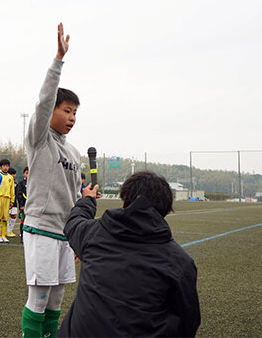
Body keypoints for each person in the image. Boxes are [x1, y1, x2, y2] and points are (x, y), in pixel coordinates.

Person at [58, 171, 201, 337]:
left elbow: (74, 222)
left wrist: (88, 199)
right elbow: (188, 321)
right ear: (166, 210)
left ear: (125, 200)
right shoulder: (180, 261)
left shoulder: (94, 234)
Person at [21, 23, 83, 338]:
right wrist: (58, 59)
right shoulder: (40, 140)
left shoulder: (73, 151)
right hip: (41, 229)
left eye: (75, 113)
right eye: (67, 110)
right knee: (40, 297)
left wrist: (78, 233)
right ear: (53, 112)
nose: (72, 117)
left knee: (57, 298)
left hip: (64, 233)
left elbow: (75, 196)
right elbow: (43, 102)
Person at [0, 159, 15, 243]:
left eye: (7, 166)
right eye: (4, 166)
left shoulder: (10, 177)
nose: (6, 167)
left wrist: (12, 200)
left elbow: (12, 190)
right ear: (0, 167)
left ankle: (3, 235)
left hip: (7, 199)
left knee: (5, 218)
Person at [16, 167, 28, 243]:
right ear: (23, 173)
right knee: (23, 221)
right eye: (27, 173)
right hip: (24, 206)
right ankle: (22, 237)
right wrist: (22, 205)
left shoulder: (34, 183)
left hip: (32, 206)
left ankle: (29, 237)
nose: (28, 174)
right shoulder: (21, 183)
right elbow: (19, 194)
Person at [6, 167, 18, 238]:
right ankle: (7, 231)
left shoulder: (15, 183)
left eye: (14, 174)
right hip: (7, 201)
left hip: (14, 201)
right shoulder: (6, 181)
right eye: (12, 174)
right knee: (7, 216)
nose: (13, 175)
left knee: (13, 216)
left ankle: (10, 230)